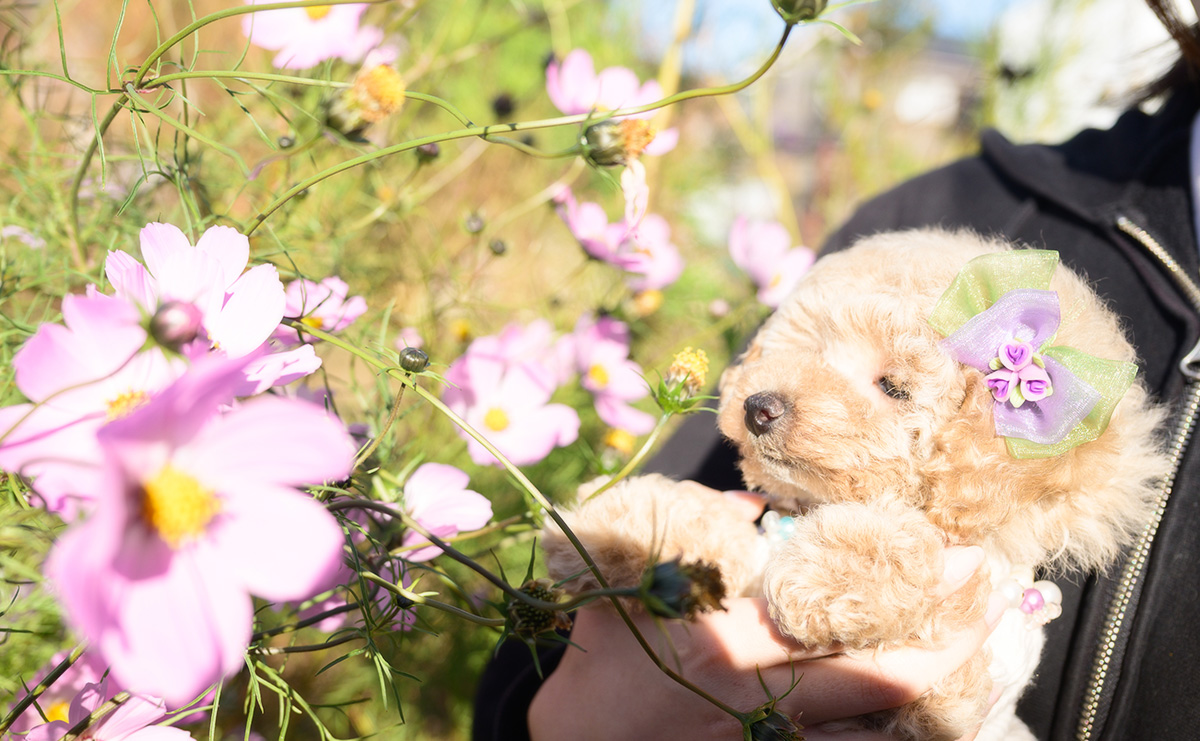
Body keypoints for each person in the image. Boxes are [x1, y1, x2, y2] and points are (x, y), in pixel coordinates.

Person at [473, 1, 1200, 738]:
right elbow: (527, 676)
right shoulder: (935, 212)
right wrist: (571, 721)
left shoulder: (1038, 365)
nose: (780, 398)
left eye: (891, 385)